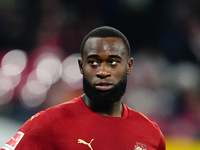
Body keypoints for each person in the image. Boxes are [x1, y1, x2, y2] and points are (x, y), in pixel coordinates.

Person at [1, 26, 166, 150]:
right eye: (94, 62)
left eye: (113, 62)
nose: (103, 71)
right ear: (81, 66)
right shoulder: (48, 122)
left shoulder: (150, 132)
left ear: (129, 66)